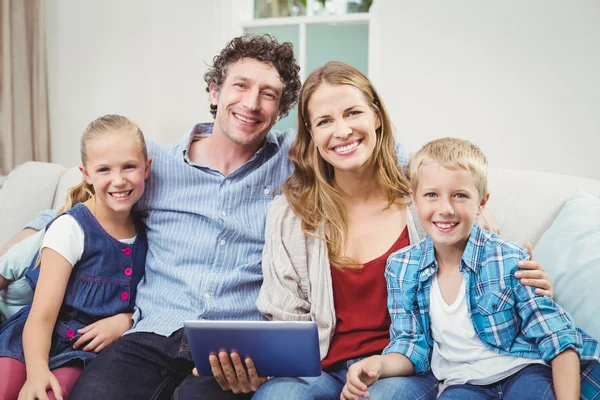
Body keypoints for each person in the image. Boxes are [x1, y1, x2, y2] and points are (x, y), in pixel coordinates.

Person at [4, 36, 550, 399]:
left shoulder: (293, 162)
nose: (252, 102)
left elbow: (397, 159)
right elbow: (99, 190)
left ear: (283, 113)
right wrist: (38, 228)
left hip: (232, 348)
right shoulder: (159, 164)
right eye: (240, 86)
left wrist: (478, 212)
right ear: (214, 93)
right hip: (151, 331)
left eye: (269, 94)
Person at [252, 62, 555, 400]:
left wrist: (529, 281)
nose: (342, 131)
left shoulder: (424, 200)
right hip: (320, 369)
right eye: (325, 121)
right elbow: (285, 316)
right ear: (311, 133)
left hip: (407, 365)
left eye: (353, 113)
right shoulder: (289, 215)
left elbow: (486, 267)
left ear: (376, 116)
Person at [342, 138, 600, 400]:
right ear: (414, 199)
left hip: (522, 370)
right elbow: (411, 347)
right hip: (462, 384)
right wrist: (379, 364)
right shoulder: (402, 267)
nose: (445, 209)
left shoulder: (506, 257)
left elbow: (557, 338)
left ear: (482, 203)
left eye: (460, 195)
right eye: (431, 195)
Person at [0, 114, 151, 400]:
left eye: (129, 167)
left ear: (147, 168)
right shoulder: (71, 228)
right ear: (86, 174)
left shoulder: (150, 231)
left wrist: (128, 319)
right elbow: (42, 316)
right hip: (33, 341)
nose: (118, 180)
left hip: (80, 353)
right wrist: (36, 373)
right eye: (104, 169)